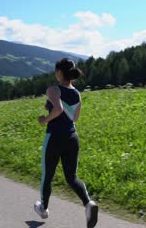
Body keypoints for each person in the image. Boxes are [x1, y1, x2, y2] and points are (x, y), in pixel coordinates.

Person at [34, 58, 98, 228]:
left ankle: (43, 208)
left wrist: (45, 119)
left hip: (55, 136)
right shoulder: (77, 93)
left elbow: (59, 109)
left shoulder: (53, 89)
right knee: (71, 177)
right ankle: (88, 204)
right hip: (72, 137)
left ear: (60, 73)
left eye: (56, 71)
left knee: (47, 174)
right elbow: (75, 117)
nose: (55, 74)